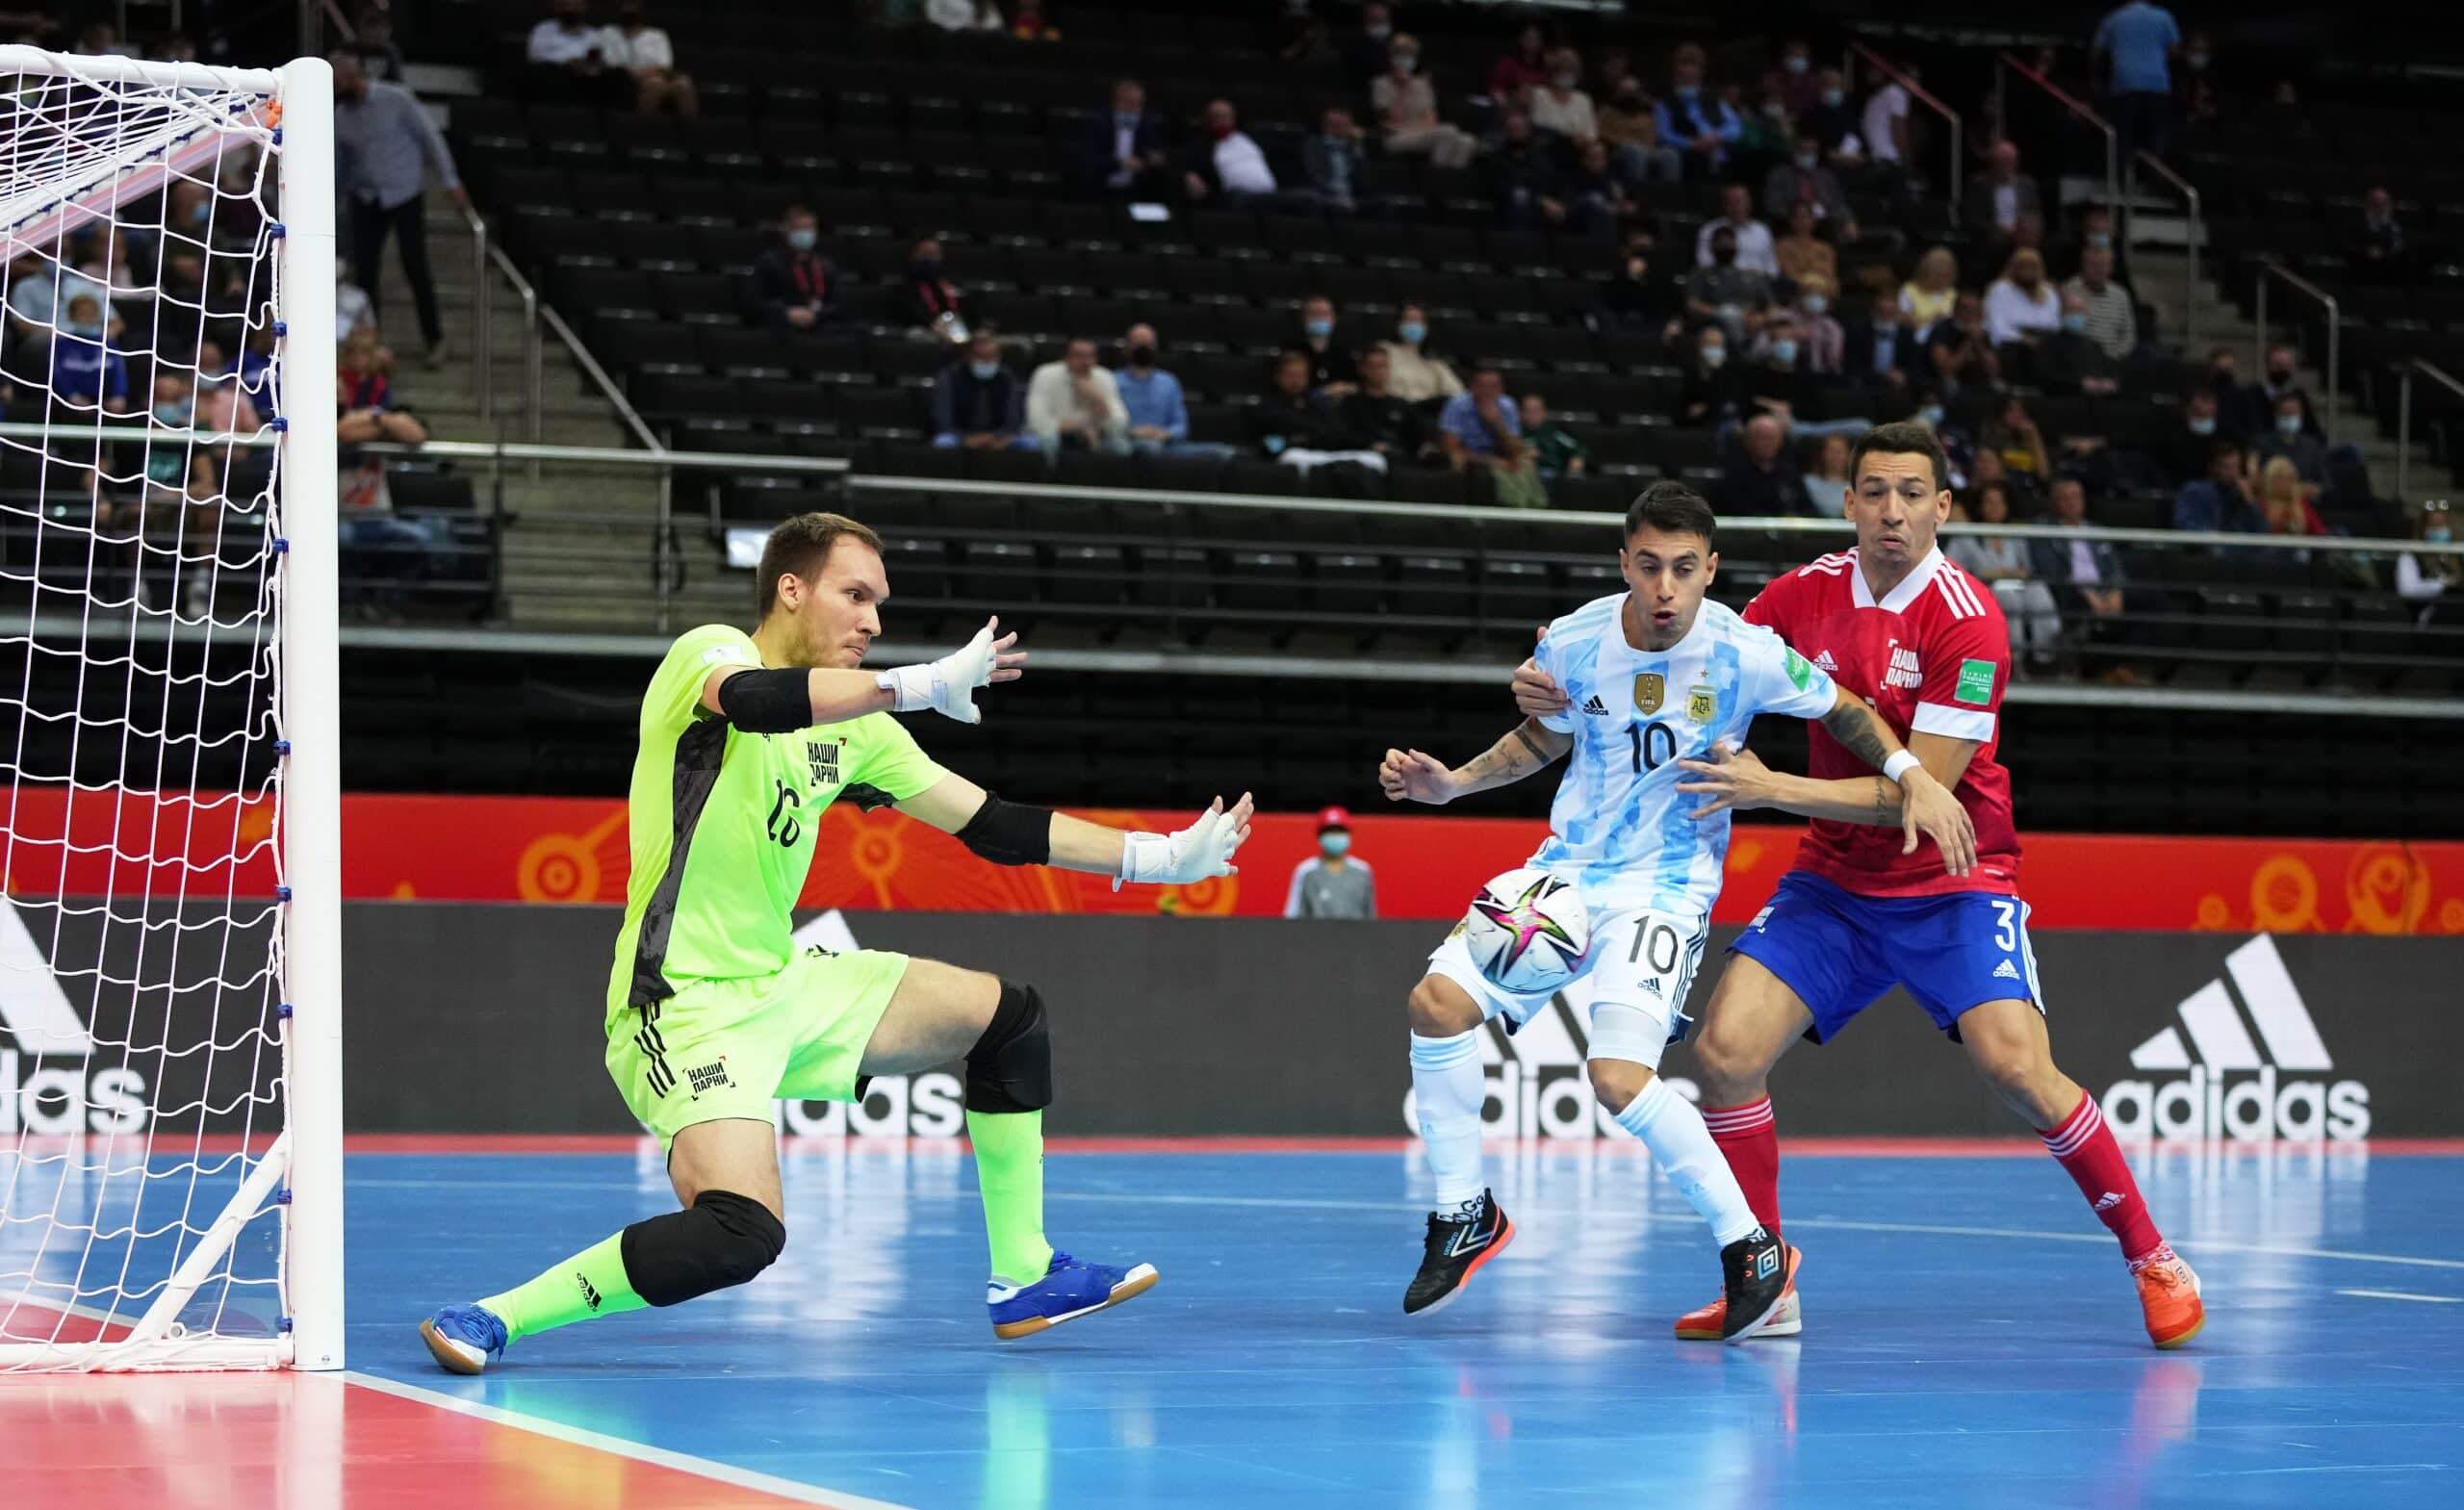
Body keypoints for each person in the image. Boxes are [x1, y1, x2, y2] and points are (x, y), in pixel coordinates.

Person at [420, 512, 1256, 1373]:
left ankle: (1026, 1273)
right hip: (683, 1004)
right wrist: (916, 682)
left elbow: (994, 823)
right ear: (791, 589)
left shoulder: (857, 731)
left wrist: (1157, 857)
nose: (874, 620)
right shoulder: (706, 657)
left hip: (781, 983)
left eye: (880, 604)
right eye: (855, 595)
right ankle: (497, 1313)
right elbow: (755, 702)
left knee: (1009, 1020)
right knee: (740, 1234)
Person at [1511, 422, 2204, 1350]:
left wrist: (1771, 788)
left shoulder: (1969, 619)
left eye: (1913, 493)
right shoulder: (1803, 593)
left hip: (1955, 879)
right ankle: (1765, 1276)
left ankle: (2152, 1253)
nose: (1892, 511)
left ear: (1943, 508)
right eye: (1874, 491)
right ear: (1847, 504)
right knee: (1722, 1053)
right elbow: (1693, 654)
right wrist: (1559, 671)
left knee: (2016, 1066)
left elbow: (1923, 797)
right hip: (1833, 884)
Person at [1390, 481, 1972, 1323]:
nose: (1666, 589)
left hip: (1665, 886)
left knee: (1620, 1077)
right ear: (1624, 562)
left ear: (1711, 571)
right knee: (1434, 1004)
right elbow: (1542, 738)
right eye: (1651, 567)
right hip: (1568, 871)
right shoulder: (1575, 640)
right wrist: (1453, 784)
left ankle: (1751, 1248)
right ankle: (1462, 1212)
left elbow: (1844, 710)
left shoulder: (1746, 651)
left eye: (1685, 570)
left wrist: (1910, 773)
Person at [331, 50, 468, 366]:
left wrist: (450, 181)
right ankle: (369, 346)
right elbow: (342, 166)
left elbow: (430, 138)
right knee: (365, 272)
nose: (337, 85)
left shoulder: (397, 99)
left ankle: (435, 338)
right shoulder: (340, 117)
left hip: (403, 192)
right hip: (365, 196)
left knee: (415, 264)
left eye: (340, 78)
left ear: (355, 75)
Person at [1950, 480, 2062, 669]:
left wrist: (2020, 572)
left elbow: (2026, 568)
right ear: (1980, 506)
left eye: (2000, 502)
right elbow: (1949, 570)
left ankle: (2045, 658)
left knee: (2039, 591)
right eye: (1989, 502)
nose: (1995, 507)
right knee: (2008, 598)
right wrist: (1986, 574)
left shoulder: (2013, 534)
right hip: (1983, 589)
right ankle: (2014, 660)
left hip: (2015, 584)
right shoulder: (1967, 536)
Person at [2032, 477, 2133, 679]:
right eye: (2065, 498)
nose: (2072, 502)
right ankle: (2095, 670)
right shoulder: (2044, 530)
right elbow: (2050, 570)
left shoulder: (2097, 531)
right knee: (2081, 605)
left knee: (2155, 603)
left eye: (2076, 497)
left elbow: (2116, 568)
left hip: (2105, 590)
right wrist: (2087, 593)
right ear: (2055, 503)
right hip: (2069, 590)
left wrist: (2116, 591)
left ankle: (2114, 667)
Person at [1371, 34, 1478, 170]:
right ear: (1391, 57)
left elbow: (1432, 119)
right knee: (1448, 130)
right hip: (1395, 137)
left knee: (1467, 140)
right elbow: (1391, 119)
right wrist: (1402, 89)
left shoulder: (1423, 84)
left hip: (1424, 133)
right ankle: (1434, 180)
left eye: (1410, 55)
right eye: (1401, 54)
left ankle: (1448, 184)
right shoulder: (1380, 83)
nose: (1405, 60)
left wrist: (1422, 127)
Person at [2092, 2, 2179, 159]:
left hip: (2124, 84)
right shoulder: (2163, 17)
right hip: (2157, 84)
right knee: (2156, 136)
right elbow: (2174, 49)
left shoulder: (2113, 19)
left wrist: (2099, 79)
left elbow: (2097, 53)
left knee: (2124, 136)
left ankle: (2123, 174)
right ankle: (2155, 176)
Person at [1025, 337, 1130, 456]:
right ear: (1066, 358)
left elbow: (1119, 423)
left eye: (1090, 356)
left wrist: (1097, 399)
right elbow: (1037, 420)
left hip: (1095, 437)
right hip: (1057, 434)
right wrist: (1078, 429)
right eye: (1079, 356)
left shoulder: (1104, 377)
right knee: (1048, 441)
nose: (1086, 362)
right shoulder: (1045, 374)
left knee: (1121, 447)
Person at [931, 333, 1033, 449]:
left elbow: (1013, 418)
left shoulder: (1007, 378)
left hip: (999, 437)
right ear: (968, 357)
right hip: (960, 435)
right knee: (943, 442)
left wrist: (997, 437)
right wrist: (966, 439)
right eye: (981, 357)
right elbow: (943, 420)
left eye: (991, 357)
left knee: (1030, 443)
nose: (987, 362)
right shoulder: (949, 377)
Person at [1657, 43, 1741, 180]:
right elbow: (1664, 135)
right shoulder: (1665, 103)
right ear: (1676, 69)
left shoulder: (1714, 99)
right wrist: (1692, 144)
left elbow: (1735, 126)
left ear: (1701, 71)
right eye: (1685, 64)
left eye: (1694, 65)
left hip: (1718, 149)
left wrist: (1716, 137)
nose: (1689, 70)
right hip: (1688, 153)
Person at [752, 206, 840, 331]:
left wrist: (817, 314)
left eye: (809, 228)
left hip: (818, 327)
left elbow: (837, 305)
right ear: (787, 230)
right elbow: (754, 303)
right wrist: (786, 313)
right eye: (799, 228)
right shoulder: (769, 262)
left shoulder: (826, 266)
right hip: (780, 329)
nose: (804, 233)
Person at [1081, 79, 1171, 198]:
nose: (1135, 109)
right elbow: (1088, 162)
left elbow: (1157, 155)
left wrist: (1155, 159)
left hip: (1135, 192)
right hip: (1098, 190)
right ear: (1116, 103)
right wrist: (1120, 163)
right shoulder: (1098, 124)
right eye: (1130, 103)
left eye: (1139, 104)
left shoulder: (1148, 126)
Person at [525, 0, 626, 107]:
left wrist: (586, 64)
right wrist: (568, 62)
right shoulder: (543, 30)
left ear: (584, 8)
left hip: (586, 82)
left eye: (576, 5)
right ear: (556, 7)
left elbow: (600, 61)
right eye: (565, 5)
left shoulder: (593, 35)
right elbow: (535, 56)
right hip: (553, 78)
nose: (570, 9)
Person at [1686, 225, 1775, 344]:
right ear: (1712, 246)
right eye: (1721, 243)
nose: (1725, 246)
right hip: (1715, 324)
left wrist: (1761, 318)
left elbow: (1773, 307)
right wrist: (1720, 312)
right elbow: (1693, 303)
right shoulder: (1701, 273)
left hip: (1752, 324)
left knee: (1782, 334)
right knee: (1719, 327)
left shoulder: (1752, 274)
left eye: (1729, 243)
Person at [1184, 99, 1282, 206]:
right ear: (1207, 119)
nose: (1221, 120)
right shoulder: (1201, 146)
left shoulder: (1250, 138)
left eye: (1225, 116)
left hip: (1272, 193)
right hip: (1235, 196)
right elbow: (1186, 166)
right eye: (1216, 116)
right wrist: (1190, 175)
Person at [603, 3, 695, 115]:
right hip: (623, 79)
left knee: (683, 84)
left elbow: (665, 65)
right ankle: (640, 128)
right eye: (626, 5)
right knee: (655, 84)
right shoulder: (609, 32)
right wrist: (634, 73)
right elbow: (609, 63)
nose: (630, 10)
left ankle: (690, 130)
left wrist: (644, 73)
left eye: (634, 6)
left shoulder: (657, 35)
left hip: (655, 76)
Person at [336, 328, 425, 444]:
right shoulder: (338, 381)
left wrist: (377, 419)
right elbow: (341, 430)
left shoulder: (378, 383)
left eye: (364, 352)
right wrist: (378, 419)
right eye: (352, 351)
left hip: (370, 429)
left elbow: (414, 434)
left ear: (372, 355)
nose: (357, 357)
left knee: (406, 425)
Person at [1284, 806, 1375, 918]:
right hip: (1315, 934)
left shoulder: (1363, 871)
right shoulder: (1305, 870)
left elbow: (1370, 916)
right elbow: (1293, 914)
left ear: (1348, 835)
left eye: (1340, 831)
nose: (1335, 835)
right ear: (1319, 836)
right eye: (1330, 831)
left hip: (1355, 934)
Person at [1344, 346, 1427, 465]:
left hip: (1402, 457)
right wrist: (1370, 445)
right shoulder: (1350, 404)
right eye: (1372, 366)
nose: (1378, 370)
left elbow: (1419, 435)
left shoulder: (1401, 404)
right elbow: (1345, 436)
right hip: (1367, 459)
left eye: (1382, 365)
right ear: (1362, 369)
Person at [1760, 137, 1856, 240]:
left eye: (1812, 152)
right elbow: (1772, 205)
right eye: (1804, 151)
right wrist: (1798, 215)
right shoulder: (1780, 174)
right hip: (1791, 222)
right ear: (1795, 152)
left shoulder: (1825, 176)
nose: (1808, 155)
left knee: (1836, 227)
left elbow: (1838, 203)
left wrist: (1849, 220)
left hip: (1823, 223)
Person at [1486, 110, 1567, 230]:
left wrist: (1556, 201)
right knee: (1520, 196)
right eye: (1512, 129)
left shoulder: (1540, 157)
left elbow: (1550, 181)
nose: (1515, 132)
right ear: (1506, 131)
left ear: (1528, 131)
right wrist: (1539, 199)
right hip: (1510, 204)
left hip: (1543, 203)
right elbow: (1501, 187)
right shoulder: (1497, 157)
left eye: (1519, 129)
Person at [46, 293, 127, 412]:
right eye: (83, 314)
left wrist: (119, 396)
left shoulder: (108, 345)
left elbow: (119, 373)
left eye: (92, 314)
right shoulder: (60, 346)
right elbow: (57, 375)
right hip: (69, 404)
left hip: (106, 403)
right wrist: (72, 396)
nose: (88, 319)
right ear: (71, 316)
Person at [1598, 75, 1680, 186]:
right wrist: (1627, 141)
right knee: (1634, 150)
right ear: (1617, 92)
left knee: (1670, 154)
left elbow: (1650, 140)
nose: (1630, 96)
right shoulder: (1607, 112)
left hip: (1646, 150)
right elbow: (1602, 134)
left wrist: (1642, 146)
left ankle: (1669, 196)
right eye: (1625, 91)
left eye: (1633, 92)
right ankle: (1638, 195)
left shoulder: (1645, 117)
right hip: (1617, 151)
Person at [2061, 245, 2137, 361]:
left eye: (2103, 265)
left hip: (2114, 359)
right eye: (2093, 265)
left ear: (2111, 268)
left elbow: (2128, 335)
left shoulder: (2121, 295)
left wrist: (2113, 356)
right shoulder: (2070, 289)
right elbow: (2064, 331)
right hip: (2080, 358)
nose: (2098, 270)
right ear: (2083, 266)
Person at [1965, 141, 2043, 251]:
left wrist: (2026, 227)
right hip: (1994, 235)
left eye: (2011, 161)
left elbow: (2035, 213)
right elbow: (1974, 219)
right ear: (1993, 163)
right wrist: (2002, 230)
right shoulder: (1979, 185)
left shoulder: (2027, 184)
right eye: (2003, 162)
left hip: (2023, 234)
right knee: (1997, 242)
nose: (2007, 166)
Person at [2172, 439, 2264, 532]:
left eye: (2235, 466)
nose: (2232, 473)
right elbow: (2184, 524)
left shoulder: (2241, 496)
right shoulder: (2194, 491)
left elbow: (2262, 530)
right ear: (2213, 467)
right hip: (2206, 544)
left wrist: (2250, 501)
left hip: (2236, 544)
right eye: (2226, 467)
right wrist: (2213, 537)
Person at [1717, 414, 1801, 516]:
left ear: (1781, 442)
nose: (1768, 443)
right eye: (1763, 438)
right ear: (1748, 440)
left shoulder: (1790, 473)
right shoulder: (1733, 475)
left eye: (1772, 438)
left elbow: (1808, 509)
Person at [1984, 247, 2061, 355]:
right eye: (2023, 266)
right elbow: (1997, 328)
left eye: (2033, 266)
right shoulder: (2000, 290)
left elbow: (2054, 326)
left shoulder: (2049, 292)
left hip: (2043, 343)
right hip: (2011, 346)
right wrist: (2023, 339)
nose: (2028, 271)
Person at [2396, 500, 2462, 626]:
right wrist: (2442, 585)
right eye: (2433, 525)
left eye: (2442, 524)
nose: (2438, 530)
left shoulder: (2458, 552)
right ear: (2423, 527)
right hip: (2431, 615)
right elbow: (2407, 590)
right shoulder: (2411, 554)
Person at [1379, 306, 1463, 403]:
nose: (1413, 324)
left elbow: (1457, 392)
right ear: (1398, 325)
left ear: (1426, 327)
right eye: (1408, 320)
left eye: (1417, 320)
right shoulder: (1384, 350)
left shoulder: (1435, 363)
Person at [1925, 293, 2001, 397]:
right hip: (1946, 386)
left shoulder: (1983, 333)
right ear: (1955, 310)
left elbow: (1993, 370)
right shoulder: (1943, 329)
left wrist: (1978, 343)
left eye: (1975, 310)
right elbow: (1946, 369)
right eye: (1965, 309)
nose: (1970, 314)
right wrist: (1968, 341)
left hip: (1977, 386)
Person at [1694, 184, 1778, 276]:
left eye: (1739, 201)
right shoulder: (1710, 230)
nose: (1735, 207)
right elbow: (1704, 264)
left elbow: (1772, 268)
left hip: (1757, 283)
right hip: (1724, 283)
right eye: (1730, 202)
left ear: (1748, 203)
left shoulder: (1762, 231)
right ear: (1724, 205)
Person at [897, 239, 970, 343]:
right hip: (926, 330)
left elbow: (967, 309)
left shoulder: (953, 282)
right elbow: (908, 313)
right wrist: (932, 324)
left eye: (934, 254)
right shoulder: (905, 288)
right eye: (924, 254)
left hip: (956, 328)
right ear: (912, 256)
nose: (929, 259)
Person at [1675, 323, 1746, 429]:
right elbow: (1684, 408)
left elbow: (1732, 402)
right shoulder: (1691, 373)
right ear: (1699, 346)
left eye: (1718, 345)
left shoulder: (1734, 373)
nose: (1714, 349)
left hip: (1725, 422)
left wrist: (1718, 372)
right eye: (1710, 344)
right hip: (1696, 425)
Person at [1843, 287, 1914, 390]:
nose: (1888, 306)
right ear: (1873, 306)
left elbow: (1914, 367)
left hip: (1896, 388)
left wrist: (1902, 374)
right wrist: (1881, 377)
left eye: (1893, 301)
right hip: (1865, 386)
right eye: (1884, 300)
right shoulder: (1858, 331)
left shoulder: (1906, 334)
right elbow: (1852, 365)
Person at [1287, 295, 1359, 396]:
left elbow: (1356, 384)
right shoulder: (1291, 351)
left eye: (1324, 313)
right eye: (1313, 314)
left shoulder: (1344, 353)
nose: (1319, 318)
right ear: (1303, 318)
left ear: (1333, 318)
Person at [1303, 107, 1368, 213]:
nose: (1343, 128)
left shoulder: (1352, 147)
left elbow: (1364, 179)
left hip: (1352, 195)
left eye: (1346, 125)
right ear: (1325, 126)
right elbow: (1314, 176)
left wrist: (1358, 145)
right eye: (1335, 125)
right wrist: (1337, 193)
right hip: (1324, 194)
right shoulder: (1313, 144)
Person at [2256, 391, 2328, 483]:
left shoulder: (2312, 446)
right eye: (2285, 413)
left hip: (2305, 496)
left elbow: (2325, 482)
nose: (2290, 418)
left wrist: (2315, 489)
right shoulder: (2262, 444)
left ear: (2301, 415)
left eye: (2294, 413)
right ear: (2277, 415)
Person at [2158, 387, 2224, 488]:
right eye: (2197, 412)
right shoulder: (2173, 440)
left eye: (2209, 402)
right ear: (2187, 410)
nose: (2205, 409)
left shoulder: (2228, 436)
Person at [1528, 48, 1598, 144]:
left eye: (1570, 70)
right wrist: (1566, 137)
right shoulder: (1539, 95)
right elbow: (1536, 125)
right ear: (1552, 72)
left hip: (1578, 150)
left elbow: (1592, 132)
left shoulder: (1583, 99)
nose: (1565, 74)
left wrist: (1584, 138)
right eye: (1560, 69)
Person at [1518, 393, 1588, 486]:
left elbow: (1578, 449)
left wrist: (1577, 459)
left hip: (1553, 476)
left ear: (1544, 412)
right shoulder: (1516, 433)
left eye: (1537, 410)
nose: (1533, 414)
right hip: (1525, 476)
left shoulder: (1554, 433)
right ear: (1522, 413)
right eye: (1529, 410)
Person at [1860, 63, 1913, 168]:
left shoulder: (1878, 95)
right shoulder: (1896, 92)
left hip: (1876, 158)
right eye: (1913, 78)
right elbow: (1898, 129)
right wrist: (1905, 157)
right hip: (1889, 160)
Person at [1772, 202, 1835, 290]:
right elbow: (1790, 273)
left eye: (1806, 217)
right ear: (1791, 221)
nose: (1802, 221)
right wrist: (1811, 276)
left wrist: (1807, 271)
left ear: (1813, 220)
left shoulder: (1825, 248)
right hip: (1798, 290)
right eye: (1798, 217)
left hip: (1823, 289)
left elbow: (1828, 273)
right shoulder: (1782, 246)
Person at [2351, 187, 2408, 284]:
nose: (2380, 208)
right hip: (2361, 276)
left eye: (2384, 204)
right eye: (2375, 204)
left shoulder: (2398, 229)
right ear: (2367, 205)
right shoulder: (2356, 228)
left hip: (2394, 277)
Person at [2256, 455, 2324, 536]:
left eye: (2289, 478)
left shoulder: (2301, 502)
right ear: (2269, 481)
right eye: (2279, 479)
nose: (2284, 484)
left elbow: (2319, 530)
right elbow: (2261, 529)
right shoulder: (2261, 503)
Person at [1899, 246, 1959, 335]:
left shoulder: (1953, 293)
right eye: (1939, 273)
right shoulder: (1909, 290)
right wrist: (1931, 321)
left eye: (1948, 269)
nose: (1944, 272)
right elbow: (1901, 319)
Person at [1800, 432, 1852, 516]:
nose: (1836, 456)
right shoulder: (1808, 482)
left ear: (1849, 455)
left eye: (1840, 451)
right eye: (1831, 451)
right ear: (1823, 454)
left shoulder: (1857, 487)